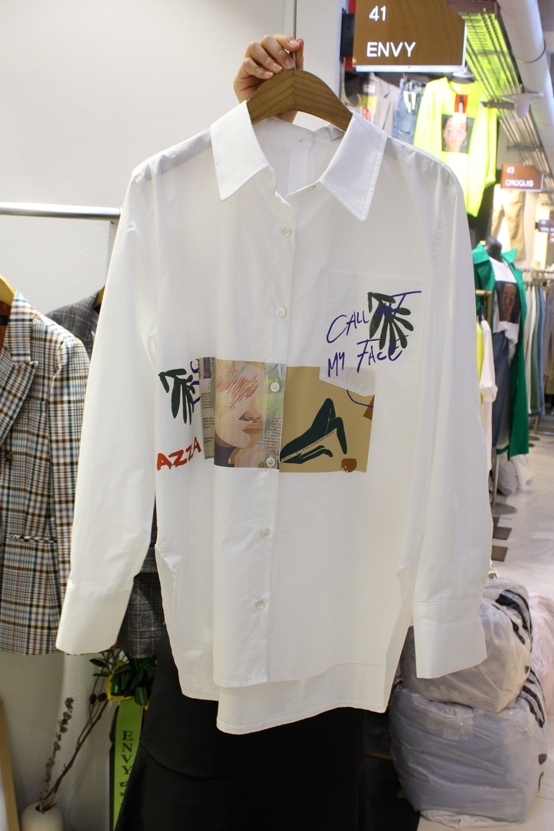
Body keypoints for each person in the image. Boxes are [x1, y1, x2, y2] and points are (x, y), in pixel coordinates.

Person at [115, 35, 369, 831]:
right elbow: (135, 419)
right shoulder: (172, 203)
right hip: (207, 663)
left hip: (328, 670)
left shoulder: (398, 215)